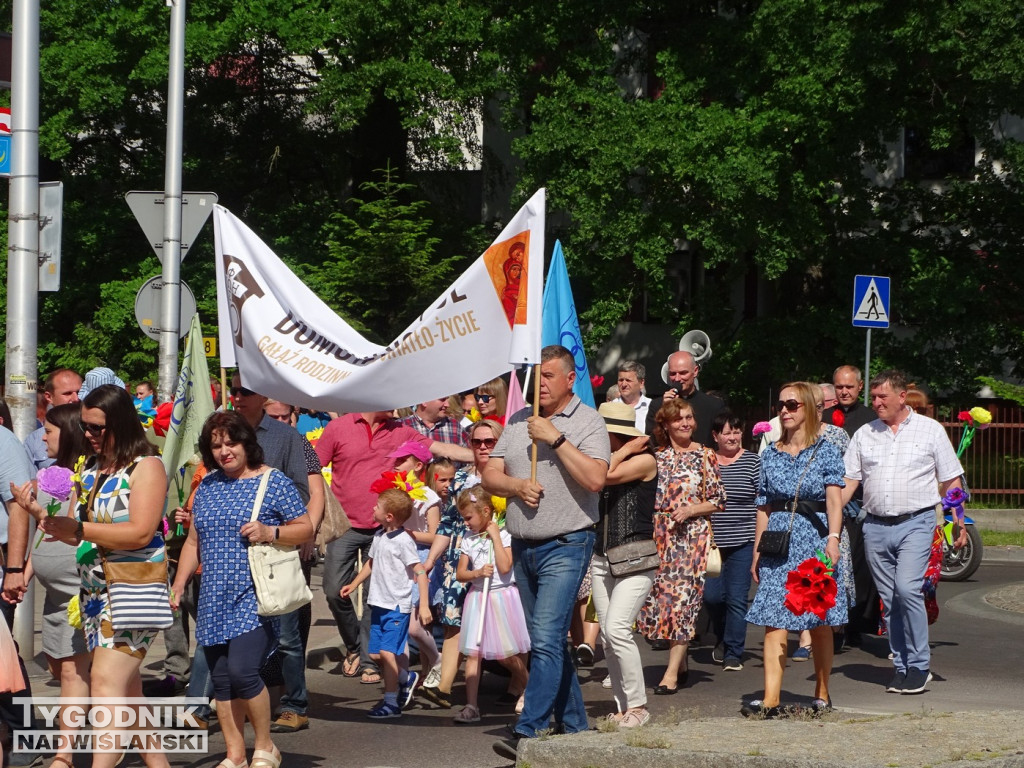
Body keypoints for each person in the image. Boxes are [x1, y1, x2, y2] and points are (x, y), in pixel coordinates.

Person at [13, 384, 173, 768]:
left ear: (120, 423)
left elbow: (140, 531)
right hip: (95, 594)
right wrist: (39, 514)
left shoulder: (147, 466)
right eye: (85, 426)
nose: (88, 434)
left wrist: (80, 530)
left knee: (104, 683)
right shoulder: (89, 468)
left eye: (97, 427)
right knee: (127, 694)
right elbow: (75, 530)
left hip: (134, 592)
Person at [482, 345, 609, 761]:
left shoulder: (589, 422)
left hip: (568, 543)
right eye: (539, 376)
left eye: (551, 376)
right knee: (548, 640)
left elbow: (595, 480)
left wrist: (554, 438)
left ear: (571, 379)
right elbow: (490, 474)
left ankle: (530, 729)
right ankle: (575, 727)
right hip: (523, 544)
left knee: (548, 638)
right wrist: (517, 486)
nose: (543, 384)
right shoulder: (519, 420)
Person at [171, 411, 311, 768]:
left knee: (242, 672)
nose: (224, 451)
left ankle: (265, 746)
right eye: (216, 445)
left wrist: (270, 532)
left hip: (256, 594)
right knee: (221, 680)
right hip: (213, 595)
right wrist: (179, 584)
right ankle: (235, 754)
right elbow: (193, 543)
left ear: (247, 443)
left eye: (231, 442)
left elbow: (305, 528)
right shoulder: (207, 487)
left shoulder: (273, 482)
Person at [315, 407, 470, 686]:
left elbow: (443, 448)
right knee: (333, 590)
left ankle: (367, 661)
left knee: (377, 598)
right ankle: (353, 646)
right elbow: (313, 469)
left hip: (384, 529)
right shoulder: (339, 427)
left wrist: (488, 454)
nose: (398, 406)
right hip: (344, 526)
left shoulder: (401, 430)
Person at [842, 370, 964, 695]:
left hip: (917, 522)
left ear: (901, 397)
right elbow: (849, 482)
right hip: (876, 527)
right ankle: (901, 666)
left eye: (882, 396)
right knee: (890, 600)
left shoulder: (930, 431)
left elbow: (951, 479)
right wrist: (830, 519)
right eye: (874, 396)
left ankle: (921, 666)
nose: (876, 402)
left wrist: (958, 520)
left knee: (908, 590)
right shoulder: (865, 435)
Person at [742, 382, 847, 718]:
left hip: (815, 540)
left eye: (792, 404)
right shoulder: (769, 452)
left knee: (818, 620)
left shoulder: (827, 450)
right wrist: (758, 549)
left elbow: (834, 499)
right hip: (777, 541)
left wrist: (833, 538)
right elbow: (763, 505)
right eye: (780, 405)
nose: (784, 411)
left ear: (809, 410)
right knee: (774, 619)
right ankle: (771, 698)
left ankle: (822, 690)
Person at [230, 377, 315, 733]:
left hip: (275, 547)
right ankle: (238, 701)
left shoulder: (286, 438)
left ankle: (295, 704)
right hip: (233, 549)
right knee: (234, 630)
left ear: (263, 395)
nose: (237, 398)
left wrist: (267, 514)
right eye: (233, 391)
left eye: (245, 391)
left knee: (285, 633)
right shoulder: (223, 433)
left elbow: (302, 487)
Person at [637, 398, 725, 695]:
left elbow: (718, 500)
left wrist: (691, 510)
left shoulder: (705, 455)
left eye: (689, 417)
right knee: (662, 604)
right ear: (665, 425)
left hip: (691, 538)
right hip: (660, 537)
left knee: (684, 604)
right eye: (678, 419)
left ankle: (671, 673)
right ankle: (681, 660)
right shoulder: (656, 456)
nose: (686, 423)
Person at [23, 404, 92, 768]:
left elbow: (69, 528)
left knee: (71, 672)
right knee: (59, 668)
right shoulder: (51, 477)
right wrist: (25, 573)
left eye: (48, 431)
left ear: (68, 433)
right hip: (54, 598)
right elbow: (43, 535)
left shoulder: (89, 477)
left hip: (83, 595)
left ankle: (65, 754)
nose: (43, 437)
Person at [420, 420, 503, 708]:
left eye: (489, 441)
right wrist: (430, 560)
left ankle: (521, 678)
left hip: (494, 559)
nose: (482, 447)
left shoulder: (506, 478)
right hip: (459, 560)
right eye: (477, 442)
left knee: (499, 624)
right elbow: (446, 526)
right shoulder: (458, 481)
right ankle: (445, 688)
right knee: (454, 623)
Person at [591, 401, 657, 728]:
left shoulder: (644, 459)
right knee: (607, 635)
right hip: (602, 557)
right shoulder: (600, 458)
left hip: (636, 557)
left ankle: (639, 706)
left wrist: (629, 447)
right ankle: (622, 708)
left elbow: (601, 476)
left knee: (617, 628)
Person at [340, 488, 431, 719]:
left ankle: (391, 703)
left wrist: (423, 605)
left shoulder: (403, 541)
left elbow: (419, 571)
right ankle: (405, 678)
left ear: (389, 516)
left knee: (387, 653)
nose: (373, 508)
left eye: (377, 506)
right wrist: (354, 583)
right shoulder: (379, 536)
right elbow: (371, 563)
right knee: (378, 655)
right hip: (378, 604)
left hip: (397, 606)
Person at [453, 489, 530, 724]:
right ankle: (472, 705)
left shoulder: (505, 533)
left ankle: (532, 687)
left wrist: (495, 536)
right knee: (473, 655)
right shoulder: (468, 537)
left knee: (506, 655)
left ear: (486, 511)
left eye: (468, 517)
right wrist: (476, 573)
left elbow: (506, 567)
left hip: (502, 597)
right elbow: (460, 573)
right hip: (478, 598)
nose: (466, 522)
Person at [703, 411, 760, 671]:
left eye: (737, 431)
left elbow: (763, 503)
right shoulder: (706, 461)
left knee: (737, 598)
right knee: (712, 598)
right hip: (711, 542)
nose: (733, 437)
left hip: (743, 540)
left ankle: (733, 652)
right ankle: (721, 634)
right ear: (715, 436)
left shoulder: (752, 462)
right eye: (727, 432)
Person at [643, 351, 725, 445]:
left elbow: (724, 440)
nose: (677, 379)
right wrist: (664, 411)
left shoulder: (714, 405)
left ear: (695, 371)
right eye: (673, 374)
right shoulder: (657, 405)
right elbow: (651, 442)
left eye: (683, 373)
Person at [24, 368, 82, 470]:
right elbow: (29, 481)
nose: (76, 398)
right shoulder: (35, 440)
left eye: (78, 392)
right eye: (67, 393)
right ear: (49, 397)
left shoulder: (93, 433)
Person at [398, 397, 468, 447]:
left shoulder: (454, 426)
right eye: (442, 399)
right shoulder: (401, 426)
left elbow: (471, 460)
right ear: (424, 401)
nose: (447, 405)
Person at [613, 361, 651, 430]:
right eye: (621, 380)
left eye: (628, 380)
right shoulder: (611, 407)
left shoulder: (651, 407)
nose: (624, 384)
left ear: (641, 383)